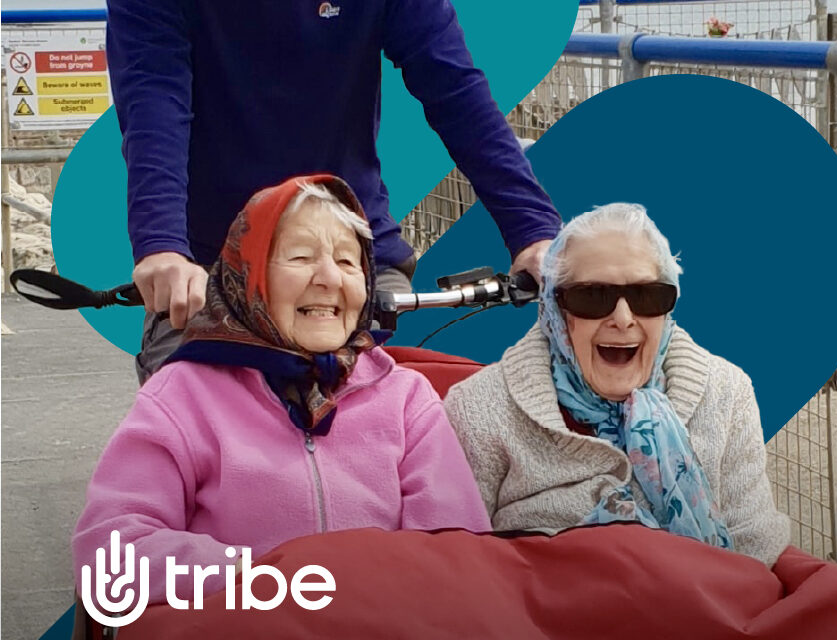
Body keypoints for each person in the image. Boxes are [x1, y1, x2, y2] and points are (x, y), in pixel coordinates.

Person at [72, 175, 490, 604]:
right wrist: (254, 576)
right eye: (301, 256)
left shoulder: (405, 398)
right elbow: (110, 557)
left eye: (349, 262)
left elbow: (457, 548)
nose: (329, 277)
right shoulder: (182, 398)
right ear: (248, 276)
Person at [105, 0, 563, 382]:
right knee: (184, 425)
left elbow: (452, 86)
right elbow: (154, 98)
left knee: (395, 428)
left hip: (348, 254)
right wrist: (162, 246)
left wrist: (533, 231)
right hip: (215, 263)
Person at [444, 203, 789, 565]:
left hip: (706, 611)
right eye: (593, 297)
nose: (623, 319)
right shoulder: (479, 407)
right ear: (555, 311)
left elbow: (754, 543)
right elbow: (461, 566)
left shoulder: (726, 391)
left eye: (647, 296)